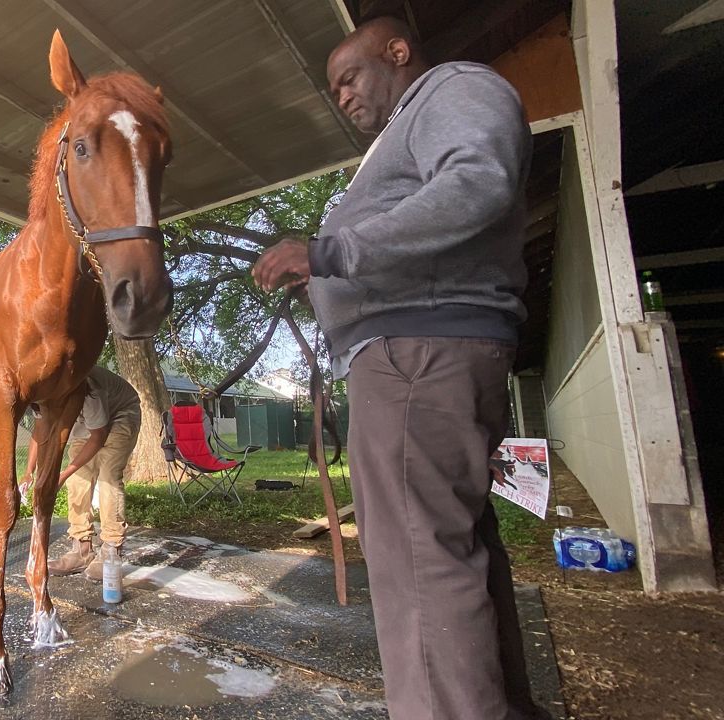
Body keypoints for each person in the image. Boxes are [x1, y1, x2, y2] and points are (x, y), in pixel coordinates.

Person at [252, 16, 549, 720]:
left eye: (350, 77)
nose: (342, 98)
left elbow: (478, 182)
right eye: (334, 91)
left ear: (397, 51)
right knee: (450, 549)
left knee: (417, 562)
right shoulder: (408, 133)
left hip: (418, 359)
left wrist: (329, 255)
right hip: (421, 357)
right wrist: (326, 282)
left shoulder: (455, 87)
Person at [22, 365, 140, 581]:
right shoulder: (41, 391)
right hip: (88, 424)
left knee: (108, 477)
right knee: (77, 482)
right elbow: (39, 432)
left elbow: (98, 437)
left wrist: (62, 474)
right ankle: (82, 550)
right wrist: (28, 472)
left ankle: (111, 550)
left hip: (121, 413)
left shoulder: (87, 389)